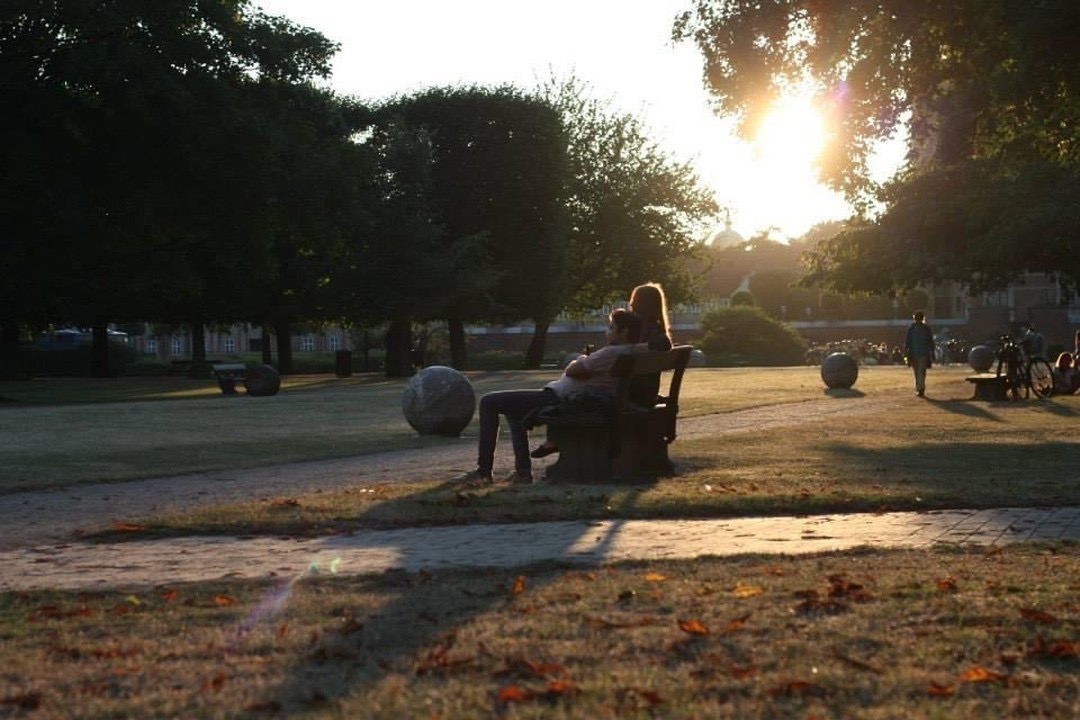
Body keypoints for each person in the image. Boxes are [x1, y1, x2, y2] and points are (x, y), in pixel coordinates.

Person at [454, 308, 643, 485]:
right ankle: (522, 472)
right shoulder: (631, 351)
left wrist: (581, 360)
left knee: (488, 401)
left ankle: (484, 471)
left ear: (624, 332)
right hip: (575, 397)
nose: (606, 332)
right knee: (513, 410)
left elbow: (572, 370)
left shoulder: (610, 352)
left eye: (611, 328)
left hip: (560, 398)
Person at [628, 282, 673, 408]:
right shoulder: (653, 329)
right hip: (647, 394)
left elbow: (665, 343)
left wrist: (633, 348)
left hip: (634, 397)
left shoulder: (648, 330)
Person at [904, 310, 934, 397]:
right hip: (924, 353)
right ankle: (921, 387)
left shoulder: (911, 329)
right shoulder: (926, 329)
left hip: (913, 354)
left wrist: (906, 352)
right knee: (922, 372)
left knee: (917, 372)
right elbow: (930, 341)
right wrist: (932, 352)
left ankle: (919, 387)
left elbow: (907, 342)